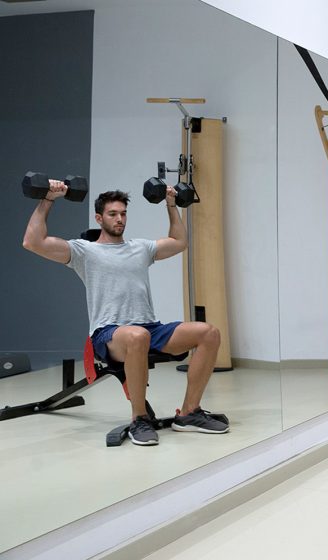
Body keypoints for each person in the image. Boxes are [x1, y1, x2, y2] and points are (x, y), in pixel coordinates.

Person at [22, 182, 229, 446]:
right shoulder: (84, 251)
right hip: (108, 333)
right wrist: (48, 199)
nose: (119, 219)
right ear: (99, 218)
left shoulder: (140, 248)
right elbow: (32, 241)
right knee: (136, 336)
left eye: (123, 213)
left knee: (208, 333)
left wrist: (171, 204)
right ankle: (139, 418)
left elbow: (180, 242)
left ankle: (188, 413)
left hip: (149, 328)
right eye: (112, 214)